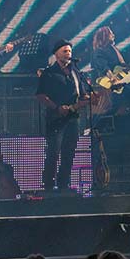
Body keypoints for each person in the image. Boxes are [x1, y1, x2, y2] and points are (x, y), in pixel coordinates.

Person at [36, 39, 89, 193]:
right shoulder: (49, 73)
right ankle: (48, 185)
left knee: (69, 152)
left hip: (73, 118)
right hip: (55, 118)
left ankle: (64, 184)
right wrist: (57, 108)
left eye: (70, 51)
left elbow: (83, 94)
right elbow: (40, 95)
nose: (68, 54)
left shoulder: (76, 72)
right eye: (65, 51)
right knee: (53, 152)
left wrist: (89, 99)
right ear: (57, 54)